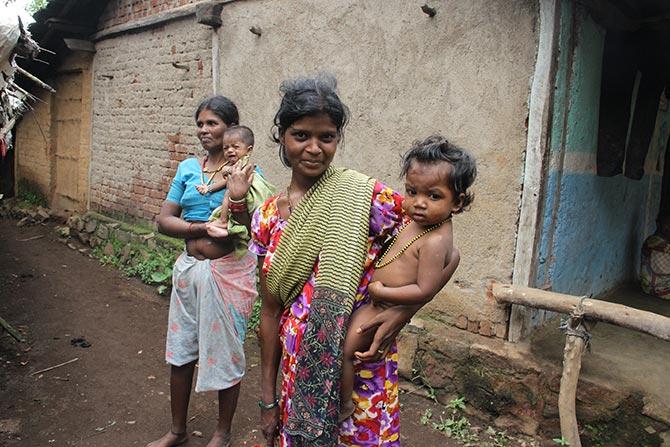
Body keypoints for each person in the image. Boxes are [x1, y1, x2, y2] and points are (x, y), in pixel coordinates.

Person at [250, 74, 461, 447]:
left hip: (361, 364)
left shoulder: (365, 197)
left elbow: (446, 251)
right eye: (301, 135)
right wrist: (268, 399)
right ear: (282, 136)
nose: (314, 148)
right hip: (299, 374)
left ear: (337, 139)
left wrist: (402, 312)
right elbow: (269, 311)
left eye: (326, 137)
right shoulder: (266, 218)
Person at [147, 96, 259, 447]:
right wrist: (199, 229)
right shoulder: (187, 170)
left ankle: (222, 433)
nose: (204, 130)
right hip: (188, 270)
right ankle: (177, 431)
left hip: (229, 274)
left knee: (226, 351)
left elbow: (251, 227)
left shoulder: (249, 172)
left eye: (212, 123)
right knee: (180, 351)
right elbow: (164, 221)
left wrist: (238, 199)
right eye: (200, 123)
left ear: (232, 129)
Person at [339, 135, 476, 420]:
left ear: (457, 202)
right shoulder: (418, 223)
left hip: (381, 307)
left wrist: (382, 292)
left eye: (433, 196)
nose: (419, 203)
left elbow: (424, 290)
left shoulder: (436, 240)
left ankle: (343, 405)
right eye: (412, 192)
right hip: (376, 302)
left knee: (345, 352)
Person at [206, 125, 276, 243]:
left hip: (247, 195)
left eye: (235, 147)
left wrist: (226, 170)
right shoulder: (234, 164)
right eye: (225, 148)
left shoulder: (247, 163)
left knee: (229, 195)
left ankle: (224, 222)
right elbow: (225, 180)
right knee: (227, 199)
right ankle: (227, 225)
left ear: (248, 150)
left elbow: (242, 173)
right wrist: (208, 188)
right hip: (236, 195)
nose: (230, 150)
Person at [640, 210, 670, 298]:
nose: (669, 228)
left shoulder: (659, 241)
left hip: (654, 287)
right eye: (667, 224)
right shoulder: (654, 242)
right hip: (658, 289)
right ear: (658, 224)